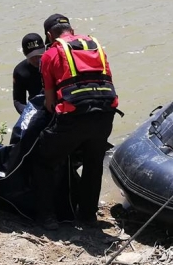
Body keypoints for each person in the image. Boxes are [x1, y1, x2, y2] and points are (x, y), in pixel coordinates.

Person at [34, 14, 118, 230]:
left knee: (43, 159)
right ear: (71, 30)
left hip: (73, 119)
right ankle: (88, 216)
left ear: (48, 35)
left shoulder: (51, 54)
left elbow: (50, 103)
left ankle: (47, 217)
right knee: (94, 163)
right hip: (105, 115)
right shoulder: (96, 47)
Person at [12, 33, 46, 114]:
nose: (36, 59)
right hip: (36, 107)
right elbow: (18, 100)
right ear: (24, 53)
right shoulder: (20, 71)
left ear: (45, 49)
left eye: (39, 55)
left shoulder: (55, 62)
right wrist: (27, 114)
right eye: (32, 56)